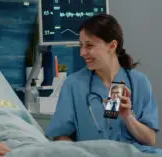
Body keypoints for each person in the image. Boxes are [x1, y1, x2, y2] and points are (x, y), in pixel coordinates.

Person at [45, 14, 162, 155]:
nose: (82, 53)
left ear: (112, 46)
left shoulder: (139, 82)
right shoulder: (73, 85)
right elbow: (60, 136)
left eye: (89, 46)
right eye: (81, 45)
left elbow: (150, 139)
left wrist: (128, 118)